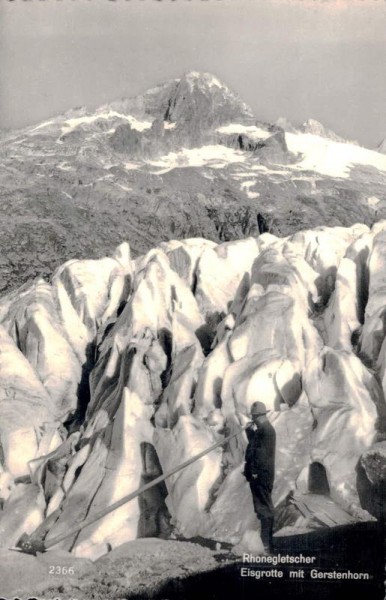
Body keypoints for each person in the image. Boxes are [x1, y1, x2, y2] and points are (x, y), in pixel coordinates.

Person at [243, 401, 276, 553]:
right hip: (259, 475)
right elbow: (255, 447)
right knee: (262, 508)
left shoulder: (266, 431)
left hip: (261, 476)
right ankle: (265, 544)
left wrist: (254, 470)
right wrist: (250, 433)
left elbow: (260, 454)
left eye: (254, 417)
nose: (253, 419)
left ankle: (266, 546)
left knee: (264, 509)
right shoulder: (262, 430)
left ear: (258, 416)